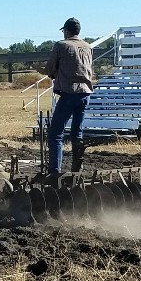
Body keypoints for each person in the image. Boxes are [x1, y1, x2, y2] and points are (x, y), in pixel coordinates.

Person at [40, 17, 94, 176]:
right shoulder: (88, 46)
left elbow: (50, 69)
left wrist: (46, 71)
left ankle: (54, 172)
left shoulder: (61, 45)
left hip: (69, 93)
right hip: (85, 93)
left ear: (66, 31)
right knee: (77, 134)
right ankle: (77, 171)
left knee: (55, 134)